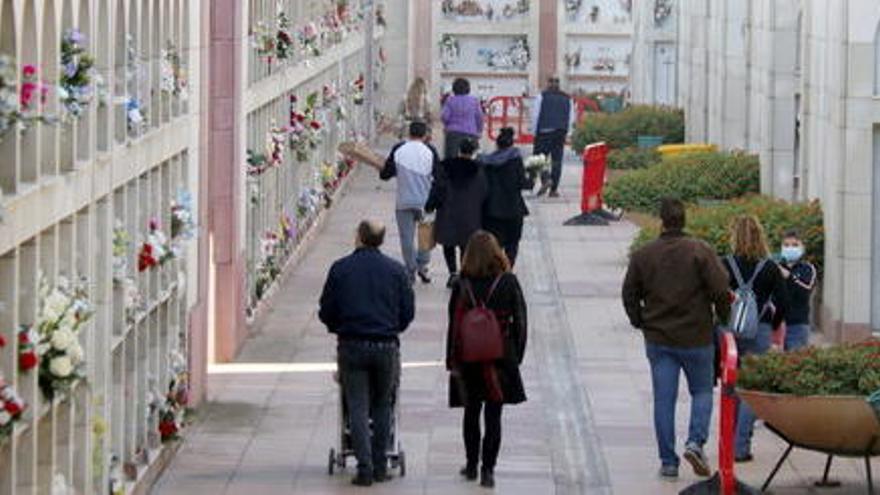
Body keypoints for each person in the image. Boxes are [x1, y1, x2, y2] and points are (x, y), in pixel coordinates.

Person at [622, 198, 731, 480]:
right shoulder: (701, 251)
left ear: (661, 221)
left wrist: (640, 320)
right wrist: (722, 318)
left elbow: (629, 293)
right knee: (703, 391)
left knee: (664, 400)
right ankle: (695, 442)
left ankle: (668, 462)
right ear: (684, 220)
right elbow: (721, 289)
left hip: (659, 338)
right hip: (697, 336)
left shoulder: (644, 255)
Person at [319, 220, 415, 487]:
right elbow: (407, 312)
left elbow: (326, 309)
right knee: (383, 404)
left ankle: (364, 468)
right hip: (385, 345)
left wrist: (338, 326)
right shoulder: (396, 271)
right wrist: (392, 327)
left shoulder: (341, 269)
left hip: (351, 344)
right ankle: (381, 465)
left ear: (359, 237)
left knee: (357, 406)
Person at [446, 230, 528, 489]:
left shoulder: (462, 284)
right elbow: (521, 321)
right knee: (494, 414)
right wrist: (516, 353)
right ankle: (488, 470)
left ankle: (471, 464)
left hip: (469, 357)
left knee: (471, 412)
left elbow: (453, 325)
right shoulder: (508, 282)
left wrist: (451, 358)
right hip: (500, 356)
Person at [721, 216, 790, 463]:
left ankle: (727, 441)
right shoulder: (769, 268)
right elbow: (783, 302)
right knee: (751, 389)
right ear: (760, 236)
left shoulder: (725, 264)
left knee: (732, 386)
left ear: (734, 236)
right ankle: (741, 445)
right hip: (759, 330)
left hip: (730, 333)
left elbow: (716, 297)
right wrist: (772, 325)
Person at [381, 121, 439, 283]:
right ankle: (423, 266)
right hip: (425, 202)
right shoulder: (431, 151)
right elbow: (440, 177)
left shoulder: (398, 149)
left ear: (409, 133)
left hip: (403, 201)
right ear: (425, 135)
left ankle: (410, 269)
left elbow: (385, 174)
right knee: (425, 236)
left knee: (406, 237)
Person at [427, 138, 488, 288]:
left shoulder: (446, 167)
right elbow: (484, 192)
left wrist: (430, 205)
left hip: (448, 213)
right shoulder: (479, 170)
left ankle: (452, 273)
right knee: (466, 246)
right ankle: (464, 274)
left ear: (459, 150)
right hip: (470, 214)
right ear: (473, 152)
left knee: (449, 244)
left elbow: (438, 189)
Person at [479, 127, 530, 266]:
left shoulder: (486, 162)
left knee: (493, 245)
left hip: (491, 211)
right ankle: (508, 270)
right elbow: (522, 183)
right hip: (513, 209)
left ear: (497, 144)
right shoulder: (516, 160)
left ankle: (494, 272)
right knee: (512, 244)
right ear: (511, 143)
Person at [530, 76, 574, 197]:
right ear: (559, 84)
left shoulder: (542, 96)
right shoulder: (567, 98)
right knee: (557, 161)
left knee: (539, 158)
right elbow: (571, 117)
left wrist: (534, 131)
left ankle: (546, 179)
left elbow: (536, 114)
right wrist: (569, 133)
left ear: (548, 84)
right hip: (560, 132)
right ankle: (553, 190)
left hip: (544, 131)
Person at [777, 230, 816, 351]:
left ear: (802, 248)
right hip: (775, 326)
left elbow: (805, 292)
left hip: (797, 325)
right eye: (786, 245)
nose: (790, 248)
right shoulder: (775, 267)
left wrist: (789, 277)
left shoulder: (807, 269)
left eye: (795, 245)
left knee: (794, 361)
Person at [441, 78, 484, 160]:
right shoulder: (474, 101)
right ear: (468, 88)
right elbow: (479, 117)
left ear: (454, 89)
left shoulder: (450, 100)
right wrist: (479, 131)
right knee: (473, 159)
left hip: (453, 134)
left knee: (451, 160)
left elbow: (444, 116)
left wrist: (447, 125)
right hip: (471, 133)